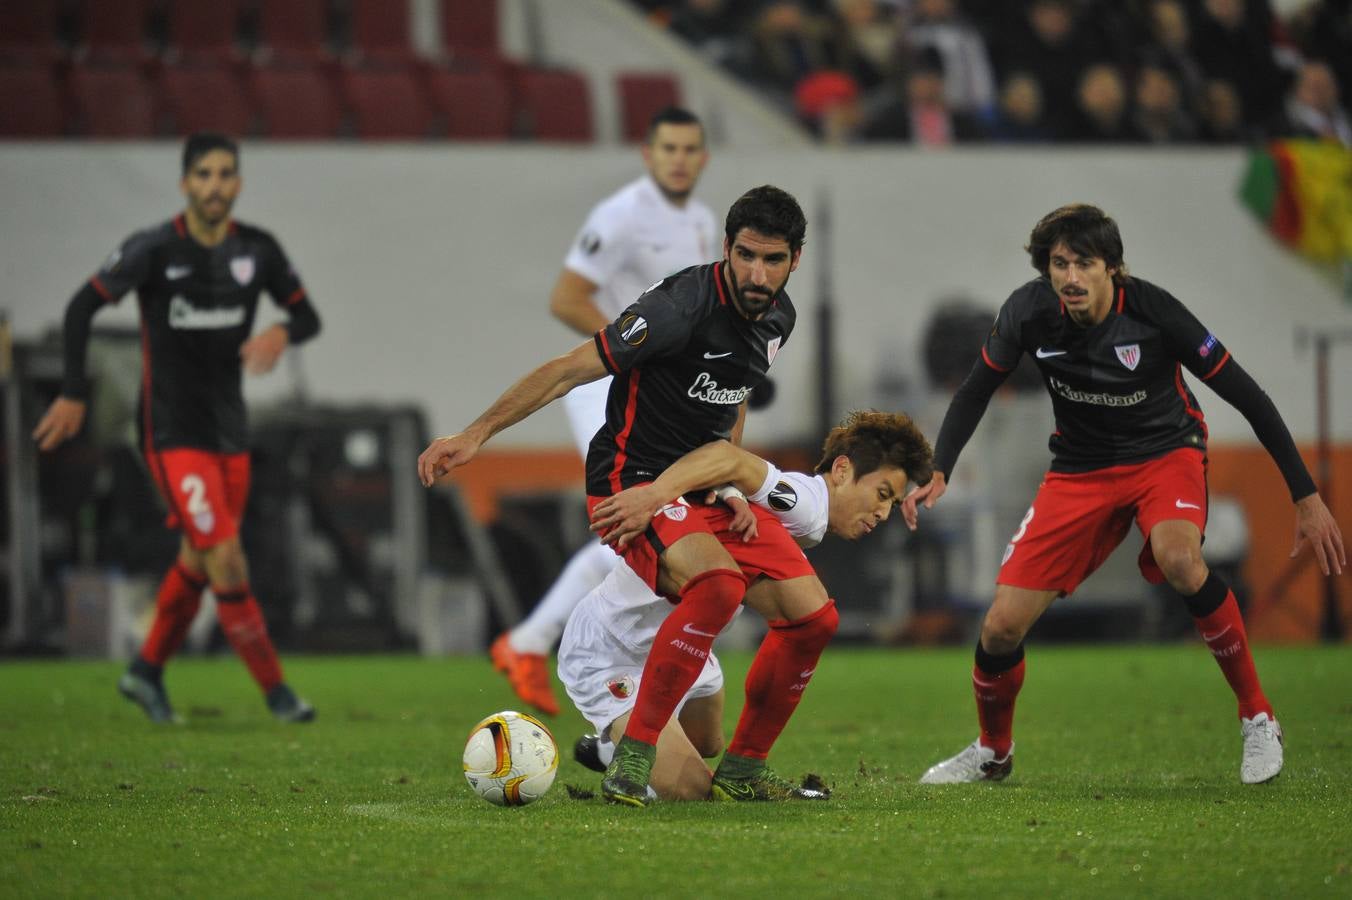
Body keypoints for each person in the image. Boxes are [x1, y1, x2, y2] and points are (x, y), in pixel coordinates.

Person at [904, 204, 1345, 785]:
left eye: (1084, 263)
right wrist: (940, 466)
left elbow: (1249, 396)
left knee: (1180, 557)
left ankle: (1257, 716)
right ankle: (993, 752)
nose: (1070, 277)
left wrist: (1305, 496)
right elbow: (976, 389)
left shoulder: (1156, 312)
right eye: (1059, 264)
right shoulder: (1028, 313)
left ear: (1113, 268)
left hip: (1166, 453)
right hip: (1080, 470)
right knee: (1000, 627)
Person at [420, 185, 829, 807]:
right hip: (629, 481)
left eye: (773, 260)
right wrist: (476, 433)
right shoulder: (678, 307)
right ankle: (630, 759)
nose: (756, 272)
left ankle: (741, 769)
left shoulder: (780, 318)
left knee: (812, 617)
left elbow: (733, 394)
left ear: (795, 260)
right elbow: (567, 369)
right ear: (726, 247)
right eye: (745, 255)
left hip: (694, 489)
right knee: (718, 586)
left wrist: (725, 480)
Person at [33, 133, 321, 725]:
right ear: (185, 183)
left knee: (199, 559)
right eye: (204, 175)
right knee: (227, 557)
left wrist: (280, 332)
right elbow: (80, 307)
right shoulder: (154, 249)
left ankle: (144, 672)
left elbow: (307, 315)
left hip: (229, 433)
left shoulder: (258, 251)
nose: (215, 186)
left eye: (225, 175)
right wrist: (72, 392)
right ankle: (278, 694)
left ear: (237, 184)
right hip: (171, 434)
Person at [569, 410, 933, 801]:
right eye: (882, 494)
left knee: (708, 741)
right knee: (694, 793)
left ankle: (626, 749)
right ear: (842, 470)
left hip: (684, 643)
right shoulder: (804, 505)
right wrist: (656, 495)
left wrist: (728, 492)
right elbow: (727, 458)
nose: (882, 512)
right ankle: (630, 751)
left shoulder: (803, 521)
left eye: (892, 504)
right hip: (615, 645)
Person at [490, 106, 717, 717]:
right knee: (638, 515)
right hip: (611, 382)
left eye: (689, 148)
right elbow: (567, 298)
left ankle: (533, 643)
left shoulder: (700, 220)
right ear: (648, 154)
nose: (678, 158)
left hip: (661, 389)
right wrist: (631, 350)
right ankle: (534, 644)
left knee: (654, 517)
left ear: (703, 158)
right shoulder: (620, 216)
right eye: (667, 147)